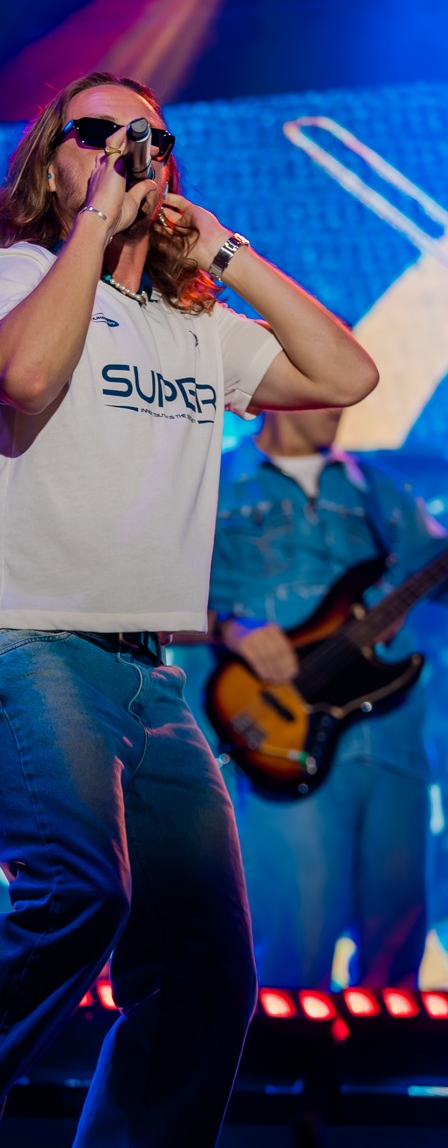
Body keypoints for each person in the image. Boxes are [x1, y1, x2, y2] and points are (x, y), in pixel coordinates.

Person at [0, 71, 378, 1148]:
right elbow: (22, 373)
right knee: (77, 893)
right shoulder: (12, 273)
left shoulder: (195, 328)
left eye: (146, 134)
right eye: (92, 132)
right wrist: (95, 222)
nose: (121, 146)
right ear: (47, 167)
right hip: (23, 646)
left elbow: (345, 374)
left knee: (207, 971)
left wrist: (225, 254)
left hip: (149, 680)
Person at [198, 406, 447, 989]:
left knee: (398, 949)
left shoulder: (378, 489)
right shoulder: (212, 482)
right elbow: (149, 601)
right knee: (294, 948)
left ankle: (380, 1053)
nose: (341, 400)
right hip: (281, 739)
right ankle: (285, 1053)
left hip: (392, 740)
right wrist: (232, 628)